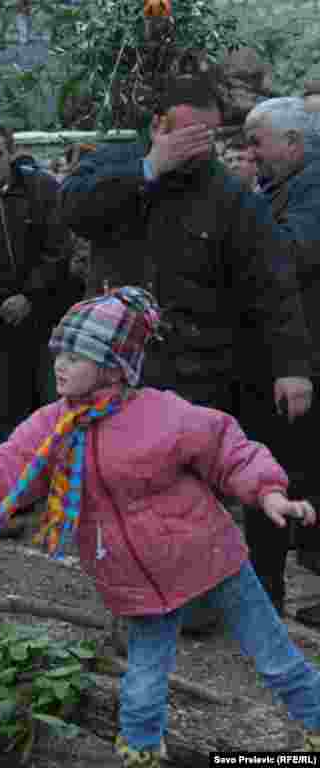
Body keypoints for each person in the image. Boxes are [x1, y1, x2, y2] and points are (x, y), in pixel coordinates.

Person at [0, 287, 320, 767]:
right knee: (144, 683)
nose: (61, 365)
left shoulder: (163, 413)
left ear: (113, 367)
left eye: (77, 356)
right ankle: (142, 757)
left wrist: (269, 491)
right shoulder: (51, 427)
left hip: (212, 557)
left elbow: (231, 449)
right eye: (59, 352)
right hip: (136, 580)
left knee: (276, 658)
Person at [61, 76, 314, 620]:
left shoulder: (230, 196)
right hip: (123, 371)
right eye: (187, 136)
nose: (199, 149)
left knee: (199, 486)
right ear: (158, 127)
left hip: (204, 367)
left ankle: (218, 595)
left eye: (207, 137)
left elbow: (274, 285)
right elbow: (74, 209)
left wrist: (293, 367)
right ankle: (147, 592)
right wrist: (149, 168)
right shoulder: (116, 167)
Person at [242, 96, 320, 624]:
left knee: (285, 471)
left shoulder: (311, 188)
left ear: (292, 144)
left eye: (257, 142)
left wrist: (241, 217)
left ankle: (267, 591)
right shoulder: (284, 188)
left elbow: (295, 254)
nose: (250, 153)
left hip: (300, 361)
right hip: (292, 356)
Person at [0, 121, 71, 456]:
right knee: (11, 413)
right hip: (3, 324)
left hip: (49, 316)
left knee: (56, 405)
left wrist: (30, 295)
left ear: (10, 150)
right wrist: (2, 300)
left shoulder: (42, 188)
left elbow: (58, 249)